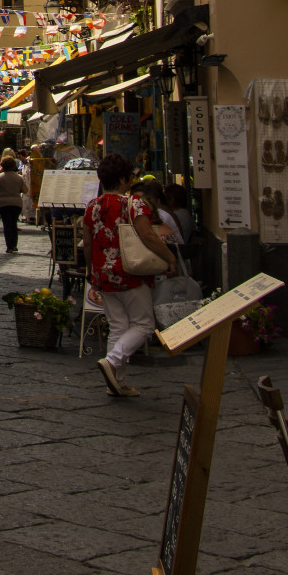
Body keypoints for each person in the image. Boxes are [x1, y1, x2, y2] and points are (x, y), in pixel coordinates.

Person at [82, 152, 178, 397]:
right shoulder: (134, 203)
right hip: (130, 271)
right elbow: (147, 236)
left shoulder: (92, 207)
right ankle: (113, 361)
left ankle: (116, 382)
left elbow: (88, 242)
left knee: (118, 326)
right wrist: (169, 257)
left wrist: (91, 272)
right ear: (123, 180)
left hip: (103, 273)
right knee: (144, 325)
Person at [0, 153, 27, 253]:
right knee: (14, 224)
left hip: (3, 203)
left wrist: (0, 189)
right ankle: (14, 245)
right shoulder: (18, 177)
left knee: (7, 225)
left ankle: (9, 246)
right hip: (16, 203)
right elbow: (25, 190)